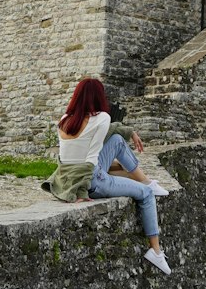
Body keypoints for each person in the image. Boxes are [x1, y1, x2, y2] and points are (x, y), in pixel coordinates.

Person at [45, 77, 172, 274]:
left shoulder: (64, 120)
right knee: (146, 194)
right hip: (93, 181)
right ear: (98, 97)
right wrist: (82, 190)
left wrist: (129, 133)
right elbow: (91, 157)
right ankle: (155, 250)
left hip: (74, 175)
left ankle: (142, 178)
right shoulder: (102, 118)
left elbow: (70, 158)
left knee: (117, 140)